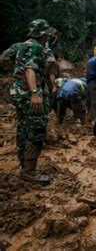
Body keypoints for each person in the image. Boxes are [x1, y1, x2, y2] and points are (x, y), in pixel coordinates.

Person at [10, 19, 55, 185]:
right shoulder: (35, 47)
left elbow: (6, 59)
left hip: (19, 92)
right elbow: (30, 69)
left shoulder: (22, 45)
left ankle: (24, 167)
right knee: (36, 130)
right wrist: (35, 93)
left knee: (23, 128)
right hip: (29, 93)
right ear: (44, 34)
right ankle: (29, 171)